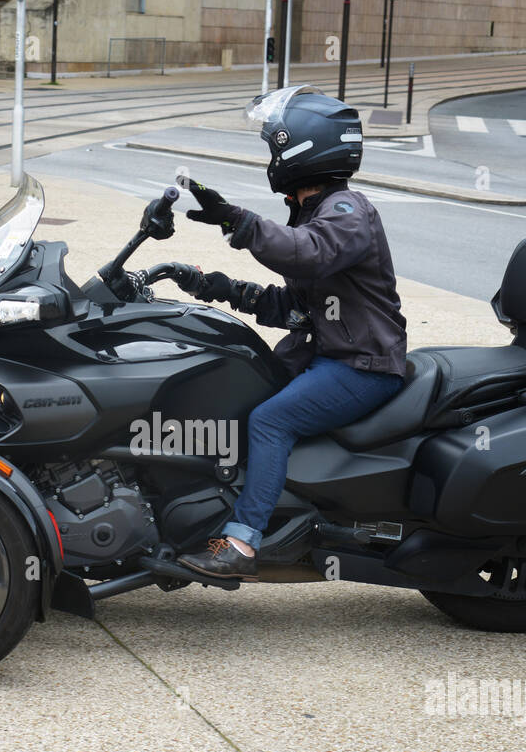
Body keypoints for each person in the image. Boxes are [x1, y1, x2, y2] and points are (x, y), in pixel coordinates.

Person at [169, 86, 407, 581]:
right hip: (329, 357)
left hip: (362, 365)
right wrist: (209, 285)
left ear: (302, 148)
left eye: (275, 146)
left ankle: (241, 542)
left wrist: (239, 220)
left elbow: (307, 253)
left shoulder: (346, 211)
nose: (271, 156)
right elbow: (294, 308)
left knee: (270, 420)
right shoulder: (314, 213)